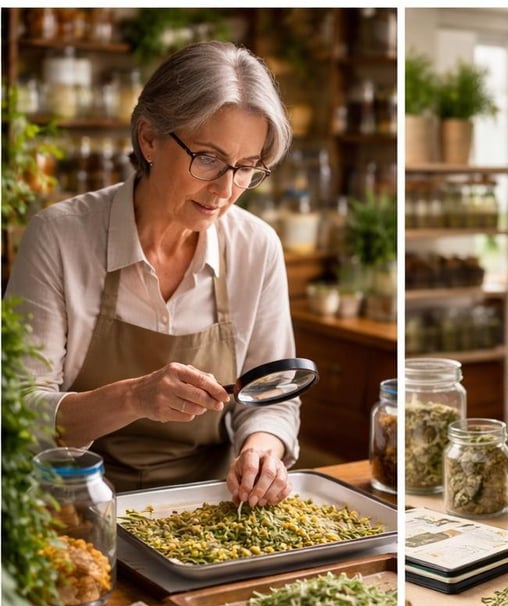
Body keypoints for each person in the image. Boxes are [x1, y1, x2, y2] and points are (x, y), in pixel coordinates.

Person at [5, 41, 298, 507]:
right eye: (208, 158)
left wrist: (262, 448)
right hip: (75, 503)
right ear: (149, 139)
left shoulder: (257, 247)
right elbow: (18, 410)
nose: (225, 189)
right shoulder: (59, 236)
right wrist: (133, 398)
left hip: (210, 505)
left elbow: (273, 394)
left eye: (245, 168)